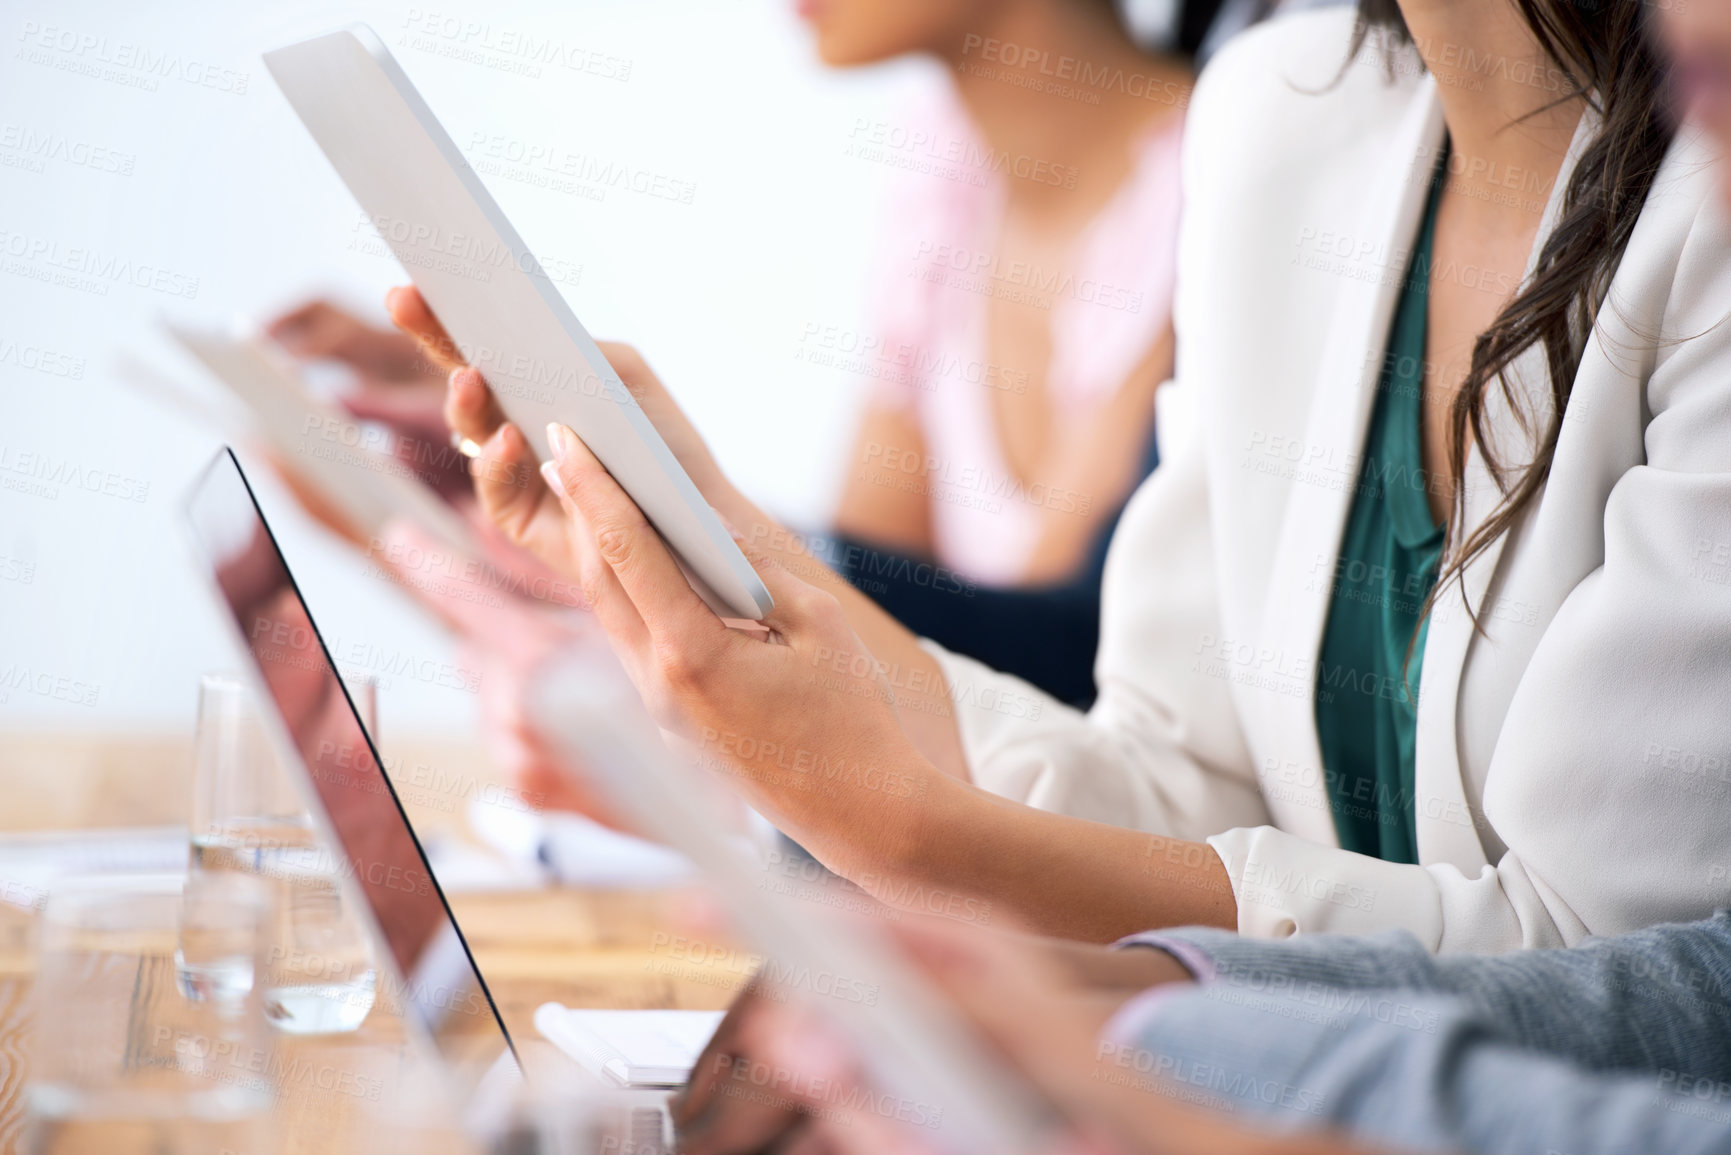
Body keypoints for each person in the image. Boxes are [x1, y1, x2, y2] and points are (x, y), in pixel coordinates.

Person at [401, 0, 1731, 954]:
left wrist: (901, 834)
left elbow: (1603, 984)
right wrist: (706, 534)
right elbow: (1178, 795)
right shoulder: (1292, 109)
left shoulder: (1706, 199)